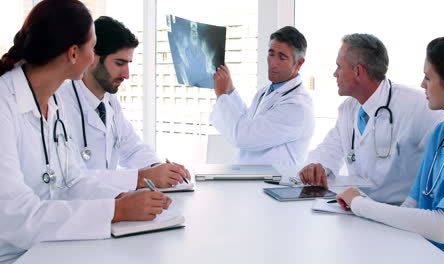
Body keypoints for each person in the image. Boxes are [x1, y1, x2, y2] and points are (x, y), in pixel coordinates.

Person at [0, 1, 171, 263]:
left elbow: (73, 180)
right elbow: (15, 216)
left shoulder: (52, 103)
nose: (92, 57)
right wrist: (114, 210)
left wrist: (123, 197)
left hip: (49, 246)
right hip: (14, 255)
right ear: (73, 53)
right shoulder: (5, 104)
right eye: (92, 47)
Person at [337, 33, 444, 263]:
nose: (422, 84)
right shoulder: (441, 133)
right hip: (423, 250)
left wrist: (360, 204)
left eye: (428, 77)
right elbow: (413, 203)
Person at [299, 33, 444, 204]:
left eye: (339, 67)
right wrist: (318, 166)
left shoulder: (420, 106)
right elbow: (330, 148)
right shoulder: (348, 108)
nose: (335, 74)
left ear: (358, 71)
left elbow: (443, 167)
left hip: (399, 215)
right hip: (357, 208)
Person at [58, 16, 190, 190]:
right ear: (92, 58)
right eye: (119, 63)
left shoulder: (110, 103)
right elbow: (70, 178)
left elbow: (132, 148)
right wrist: (141, 178)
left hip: (110, 204)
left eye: (128, 64)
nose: (126, 74)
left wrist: (158, 169)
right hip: (78, 209)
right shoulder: (60, 106)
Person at [210, 26, 314, 166]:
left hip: (274, 182)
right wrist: (230, 91)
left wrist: (222, 95)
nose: (273, 63)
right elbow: (248, 121)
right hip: (251, 177)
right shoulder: (266, 91)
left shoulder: (297, 106)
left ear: (299, 63)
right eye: (271, 54)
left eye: (282, 57)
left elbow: (243, 137)